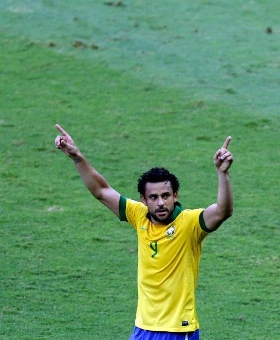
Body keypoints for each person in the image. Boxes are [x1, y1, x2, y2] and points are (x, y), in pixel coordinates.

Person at [54, 124, 234, 340]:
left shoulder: (190, 224)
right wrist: (76, 157)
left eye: (166, 196)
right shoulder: (138, 215)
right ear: (144, 200)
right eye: (154, 197)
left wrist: (222, 174)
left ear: (175, 195)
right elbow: (101, 191)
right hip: (143, 328)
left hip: (177, 330)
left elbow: (223, 211)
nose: (160, 203)